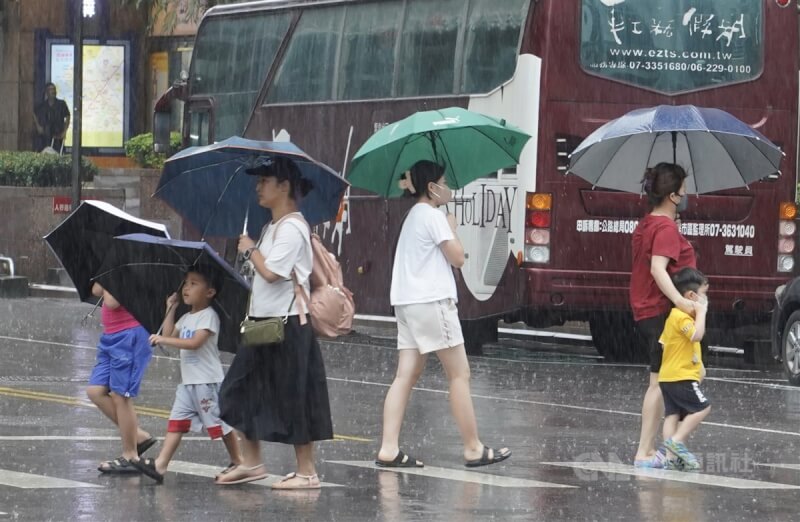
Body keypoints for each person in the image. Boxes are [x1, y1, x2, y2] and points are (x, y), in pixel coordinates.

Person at [375, 160, 511, 469]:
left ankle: (388, 447)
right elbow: (459, 258)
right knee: (459, 374)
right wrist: (451, 229)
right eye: (444, 181)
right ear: (432, 187)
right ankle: (473, 447)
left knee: (404, 375)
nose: (448, 186)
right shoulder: (433, 216)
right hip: (432, 303)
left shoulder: (412, 217)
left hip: (407, 305)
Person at [215, 156, 333, 489]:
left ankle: (307, 472)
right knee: (241, 392)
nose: (258, 187)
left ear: (284, 186)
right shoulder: (271, 227)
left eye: (264, 181)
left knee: (295, 397)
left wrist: (251, 250)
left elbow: (272, 272)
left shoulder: (294, 228)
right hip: (262, 325)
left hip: (287, 327)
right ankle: (252, 463)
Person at [132, 267, 242, 483]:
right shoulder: (186, 317)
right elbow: (169, 334)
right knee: (176, 422)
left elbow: (193, 343)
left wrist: (163, 340)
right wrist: (170, 308)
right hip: (188, 382)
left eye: (193, 283)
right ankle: (161, 465)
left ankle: (238, 460)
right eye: (185, 283)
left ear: (209, 292)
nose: (186, 288)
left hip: (207, 382)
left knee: (219, 423)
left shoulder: (209, 317)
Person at [630, 162, 697, 468]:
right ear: (672, 195)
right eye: (682, 189)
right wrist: (680, 303)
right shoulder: (665, 227)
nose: (685, 194)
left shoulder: (649, 223)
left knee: (665, 381)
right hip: (661, 312)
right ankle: (646, 451)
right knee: (661, 382)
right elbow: (659, 268)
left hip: (647, 309)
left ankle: (667, 449)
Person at [87, 282, 156, 474]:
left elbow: (111, 301)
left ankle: (130, 455)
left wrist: (112, 277)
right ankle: (138, 436)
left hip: (130, 335)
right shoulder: (115, 266)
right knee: (95, 391)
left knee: (120, 396)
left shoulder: (130, 268)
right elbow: (95, 290)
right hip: (110, 336)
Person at [657, 267, 710, 471]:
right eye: (704, 295)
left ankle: (671, 457)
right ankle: (677, 442)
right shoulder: (682, 318)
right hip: (681, 376)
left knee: (673, 415)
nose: (706, 300)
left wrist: (698, 364)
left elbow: (665, 344)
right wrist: (702, 312)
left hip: (668, 377)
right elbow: (696, 335)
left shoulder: (672, 318)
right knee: (703, 407)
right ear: (691, 296)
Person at [33, 82, 70, 152]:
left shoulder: (61, 104)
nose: (53, 91)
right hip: (44, 138)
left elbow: (67, 116)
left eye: (54, 89)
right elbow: (34, 113)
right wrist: (38, 126)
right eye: (51, 89)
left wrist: (65, 131)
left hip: (57, 137)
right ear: (47, 92)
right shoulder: (42, 106)